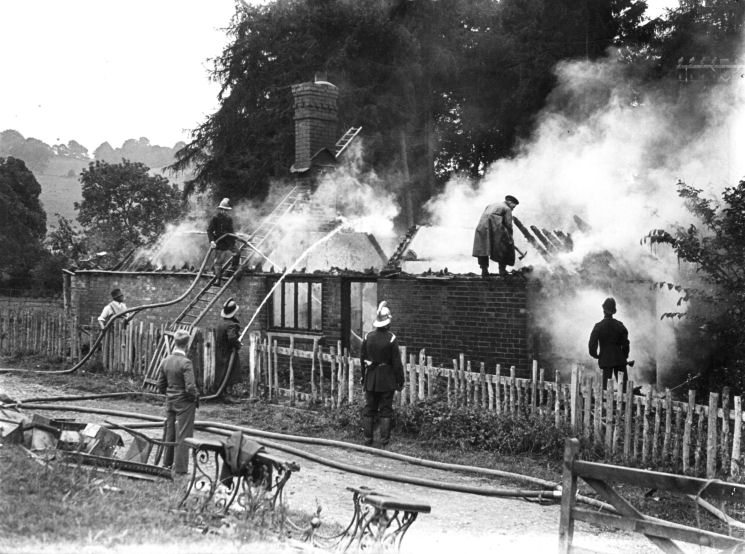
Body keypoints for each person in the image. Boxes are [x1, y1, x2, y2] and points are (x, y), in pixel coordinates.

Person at [360, 301, 404, 447]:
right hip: (386, 379)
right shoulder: (391, 338)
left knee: (369, 408)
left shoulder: (368, 337)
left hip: (370, 378)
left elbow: (362, 359)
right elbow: (397, 363)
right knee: (385, 409)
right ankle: (384, 441)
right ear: (387, 323)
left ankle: (368, 439)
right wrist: (400, 381)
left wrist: (363, 376)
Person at [157, 328, 199, 477]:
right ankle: (180, 469)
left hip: (170, 401)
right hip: (184, 404)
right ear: (186, 345)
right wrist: (193, 398)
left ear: (175, 342)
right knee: (183, 435)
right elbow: (190, 387)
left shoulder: (165, 361)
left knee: (170, 432)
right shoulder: (186, 362)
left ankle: (167, 464)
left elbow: (160, 385)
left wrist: (169, 395)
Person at [472, 194, 519, 277]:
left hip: (482, 228)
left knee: (483, 249)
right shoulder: (507, 208)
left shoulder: (490, 205)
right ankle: (502, 271)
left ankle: (484, 271)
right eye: (513, 206)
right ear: (509, 202)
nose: (513, 209)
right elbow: (508, 224)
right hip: (495, 229)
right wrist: (510, 238)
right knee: (505, 247)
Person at [588, 297, 630, 388]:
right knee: (624, 389)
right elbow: (626, 343)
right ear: (614, 311)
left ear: (603, 310)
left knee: (605, 389)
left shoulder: (598, 326)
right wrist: (624, 356)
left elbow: (592, 344)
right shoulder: (620, 325)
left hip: (605, 360)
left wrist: (596, 355)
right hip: (620, 360)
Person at [215, 298, 243, 403]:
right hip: (229, 353)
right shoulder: (230, 324)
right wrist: (238, 344)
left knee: (223, 373)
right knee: (231, 373)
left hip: (220, 352)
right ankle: (228, 396)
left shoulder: (221, 322)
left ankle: (223, 394)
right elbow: (231, 338)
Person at [207, 198, 239, 283]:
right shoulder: (215, 218)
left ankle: (233, 268)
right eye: (223, 210)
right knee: (218, 261)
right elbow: (209, 230)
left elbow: (231, 231)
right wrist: (212, 241)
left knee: (237, 253)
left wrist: (235, 238)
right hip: (220, 242)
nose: (224, 211)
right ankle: (218, 279)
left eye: (226, 210)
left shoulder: (229, 219)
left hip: (229, 241)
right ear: (220, 209)